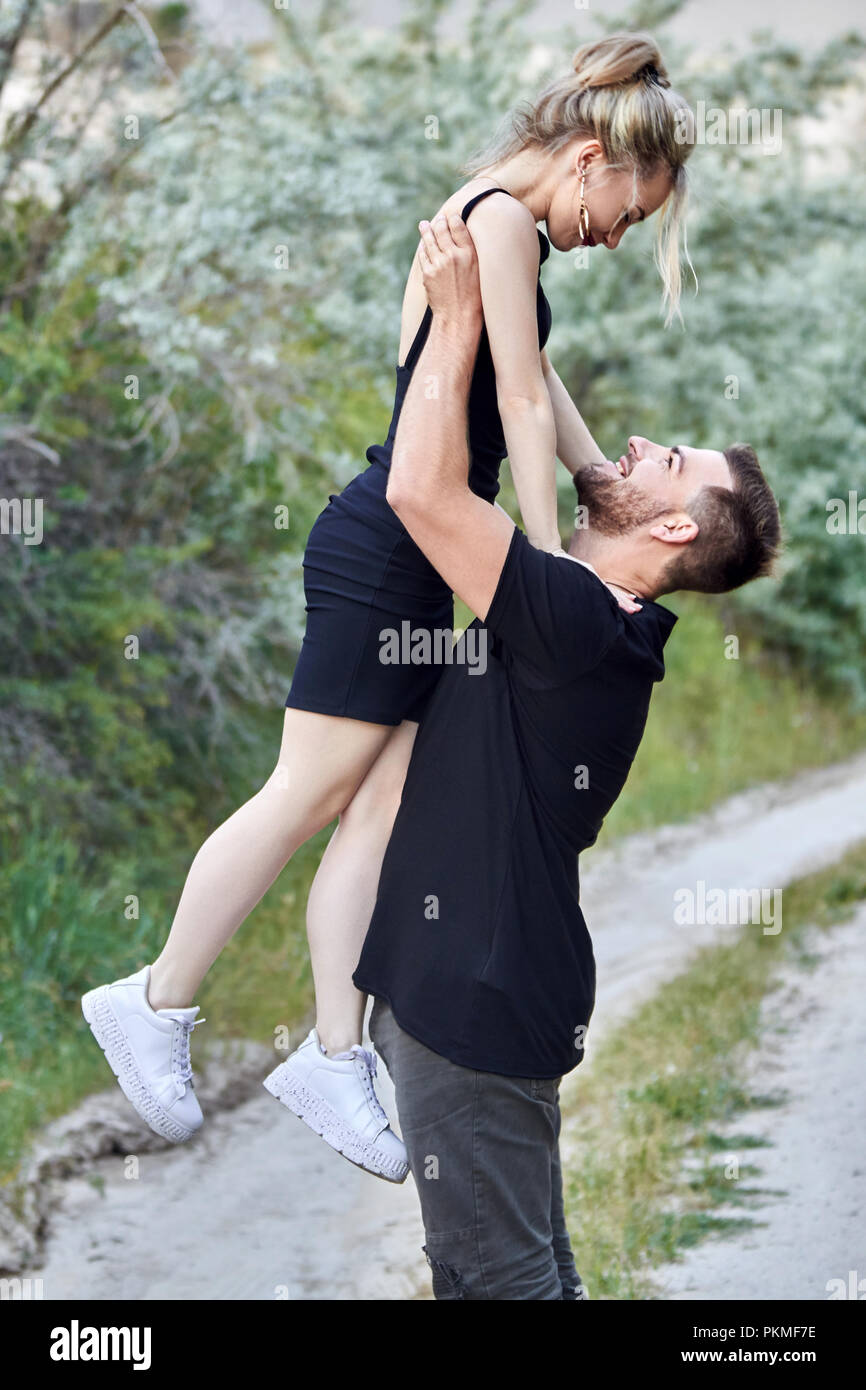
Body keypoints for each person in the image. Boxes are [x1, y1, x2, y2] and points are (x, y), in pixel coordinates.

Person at [82, 33, 697, 1180]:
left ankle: (329, 1047)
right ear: (585, 158)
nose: (617, 236)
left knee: (378, 802)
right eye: (626, 210)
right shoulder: (501, 222)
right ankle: (153, 998)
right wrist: (536, 560)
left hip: (419, 553)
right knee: (308, 791)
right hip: (386, 547)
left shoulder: (502, 227)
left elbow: (537, 377)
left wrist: (593, 475)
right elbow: (507, 390)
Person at [349, 211, 781, 1297]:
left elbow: (416, 494)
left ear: (674, 531)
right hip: (494, 990)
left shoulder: (577, 621)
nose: (637, 444)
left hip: (474, 998)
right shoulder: (598, 618)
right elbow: (531, 379)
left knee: (499, 1283)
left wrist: (453, 327)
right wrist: (497, 293)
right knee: (529, 1275)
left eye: (668, 461)